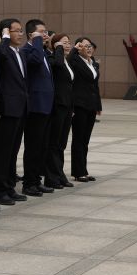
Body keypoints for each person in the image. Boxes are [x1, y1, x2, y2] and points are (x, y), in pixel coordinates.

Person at [0, 18, 30, 204]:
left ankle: (9, 186)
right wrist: (5, 39)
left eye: (21, 30)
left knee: (13, 151)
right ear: (5, 33)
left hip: (20, 107)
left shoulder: (19, 52)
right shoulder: (2, 50)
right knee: (3, 152)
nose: (20, 34)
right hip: (7, 108)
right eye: (16, 30)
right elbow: (0, 55)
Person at [21, 19, 55, 196]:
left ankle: (36, 180)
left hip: (46, 105)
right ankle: (29, 183)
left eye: (46, 32)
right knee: (33, 147)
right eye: (41, 32)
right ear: (31, 35)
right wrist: (37, 41)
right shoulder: (27, 51)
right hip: (35, 106)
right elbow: (34, 61)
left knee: (41, 146)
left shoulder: (40, 50)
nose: (45, 35)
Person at [44, 33, 74, 189]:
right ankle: (51, 177)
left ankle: (59, 174)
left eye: (68, 42)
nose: (67, 45)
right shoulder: (54, 59)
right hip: (57, 105)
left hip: (67, 106)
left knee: (61, 143)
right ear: (55, 45)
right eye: (64, 43)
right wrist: (58, 49)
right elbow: (58, 64)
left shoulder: (67, 61)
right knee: (54, 142)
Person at [69, 36, 101, 182]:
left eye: (90, 46)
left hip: (91, 105)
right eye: (85, 46)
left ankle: (84, 170)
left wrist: (98, 105)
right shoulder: (75, 61)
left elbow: (95, 86)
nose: (88, 49)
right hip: (79, 105)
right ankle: (78, 172)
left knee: (85, 140)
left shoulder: (92, 62)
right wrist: (74, 50)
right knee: (78, 139)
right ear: (78, 47)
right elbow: (69, 59)